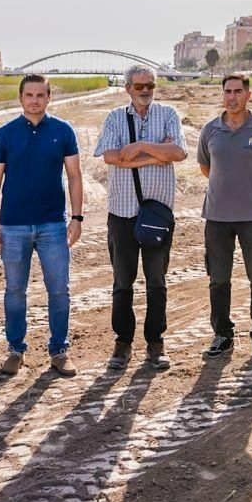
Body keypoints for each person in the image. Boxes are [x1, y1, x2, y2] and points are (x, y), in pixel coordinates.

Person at [0, 74, 84, 377]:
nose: (35, 100)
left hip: (53, 224)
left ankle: (59, 351)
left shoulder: (63, 131)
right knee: (15, 291)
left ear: (49, 97)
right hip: (13, 226)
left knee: (59, 291)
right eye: (29, 95)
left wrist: (77, 218)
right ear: (20, 98)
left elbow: (75, 176)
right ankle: (16, 351)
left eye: (41, 95)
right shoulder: (5, 134)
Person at [94, 64, 186, 371]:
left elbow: (177, 153)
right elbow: (110, 156)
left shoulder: (169, 114)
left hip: (158, 212)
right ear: (127, 89)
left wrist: (139, 148)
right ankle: (122, 344)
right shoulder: (115, 118)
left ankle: (155, 344)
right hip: (122, 212)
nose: (145, 91)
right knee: (123, 282)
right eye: (139, 86)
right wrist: (154, 157)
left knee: (157, 281)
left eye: (150, 85)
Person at [197, 73, 252, 362]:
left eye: (237, 91)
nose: (231, 96)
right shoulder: (211, 130)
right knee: (218, 279)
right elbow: (205, 167)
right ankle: (222, 334)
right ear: (222, 95)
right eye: (227, 91)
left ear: (248, 95)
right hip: (217, 217)